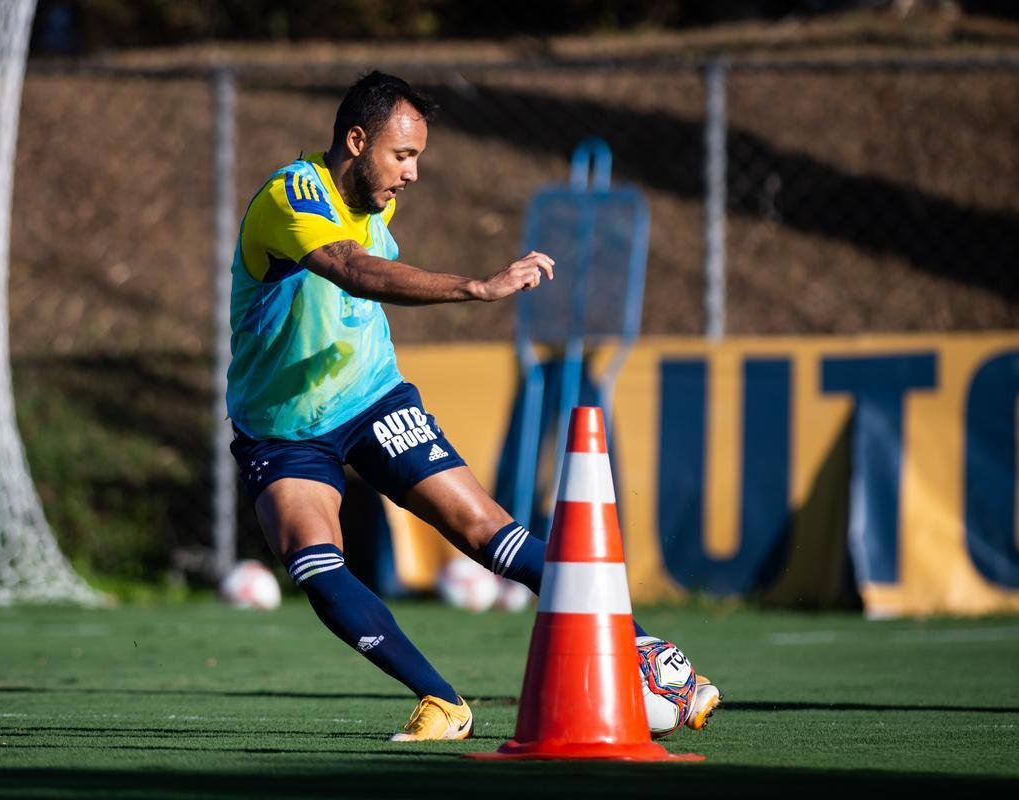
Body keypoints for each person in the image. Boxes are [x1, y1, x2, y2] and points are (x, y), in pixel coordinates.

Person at [227, 70, 721, 741]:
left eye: (418, 158)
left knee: (486, 528)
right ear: (355, 140)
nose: (413, 174)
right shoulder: (294, 194)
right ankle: (442, 700)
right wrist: (475, 288)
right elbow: (351, 269)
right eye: (403, 156)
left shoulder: (375, 198)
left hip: (371, 397)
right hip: (282, 429)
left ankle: (649, 654)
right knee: (313, 558)